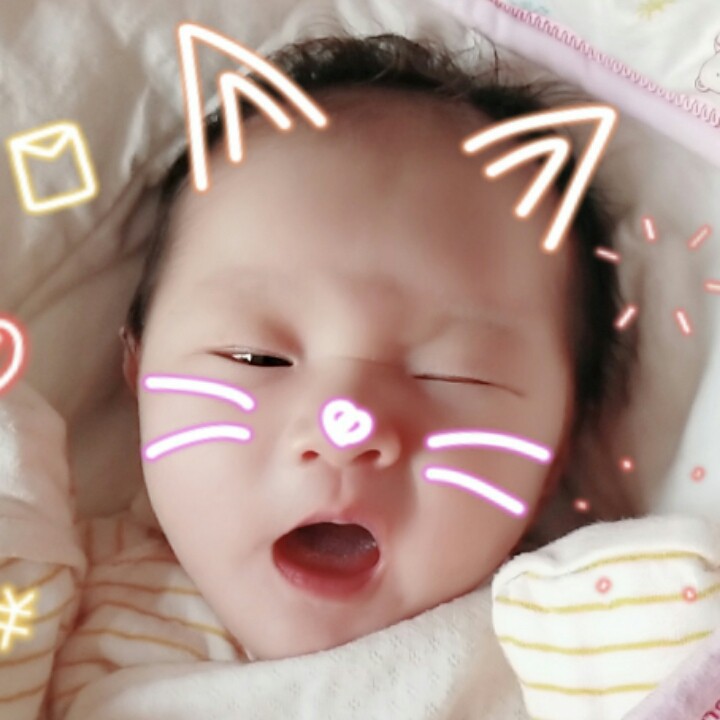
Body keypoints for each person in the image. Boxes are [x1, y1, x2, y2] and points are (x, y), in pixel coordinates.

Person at [0, 33, 641, 719]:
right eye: (255, 358)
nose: (345, 428)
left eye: (454, 375)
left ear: (555, 451)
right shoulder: (52, 592)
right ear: (137, 372)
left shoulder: (578, 631)